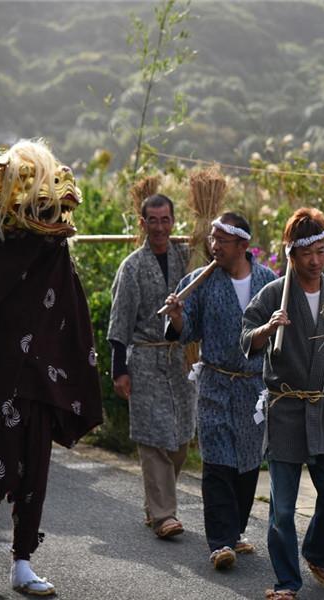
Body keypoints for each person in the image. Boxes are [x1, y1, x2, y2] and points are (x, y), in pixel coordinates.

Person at [0, 140, 102, 595]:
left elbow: (67, 298)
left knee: (34, 469)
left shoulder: (53, 237)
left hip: (39, 371)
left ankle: (22, 562)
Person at [241, 207, 324, 600]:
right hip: (285, 411)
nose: (316, 260)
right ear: (292, 255)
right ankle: (287, 581)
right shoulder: (273, 294)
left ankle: (319, 553)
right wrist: (267, 328)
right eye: (308, 253)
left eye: (322, 251)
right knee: (282, 509)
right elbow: (245, 339)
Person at [164, 212, 276, 570]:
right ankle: (220, 542)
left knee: (245, 464)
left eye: (221, 241)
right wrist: (178, 315)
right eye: (213, 239)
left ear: (242, 246)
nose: (214, 247)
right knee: (216, 463)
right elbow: (185, 331)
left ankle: (236, 531)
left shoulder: (268, 282)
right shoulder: (199, 281)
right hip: (214, 383)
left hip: (252, 388)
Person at [108, 193, 197, 539]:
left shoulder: (186, 259)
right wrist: (120, 369)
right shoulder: (131, 266)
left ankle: (156, 504)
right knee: (153, 438)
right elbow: (120, 322)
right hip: (144, 358)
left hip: (180, 360)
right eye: (152, 221)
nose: (159, 227)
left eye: (165, 220)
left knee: (179, 440)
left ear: (173, 222)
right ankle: (163, 515)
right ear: (142, 223)